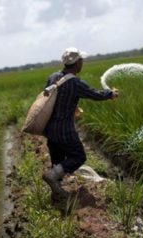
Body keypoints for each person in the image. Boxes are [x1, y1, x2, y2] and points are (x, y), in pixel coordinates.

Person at [42, 47, 118, 199]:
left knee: (58, 161)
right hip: (65, 130)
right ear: (77, 63)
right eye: (81, 60)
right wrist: (110, 94)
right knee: (78, 157)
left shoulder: (53, 77)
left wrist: (71, 104)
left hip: (50, 129)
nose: (82, 62)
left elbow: (51, 98)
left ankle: (56, 193)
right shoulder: (75, 83)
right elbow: (95, 94)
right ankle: (51, 177)